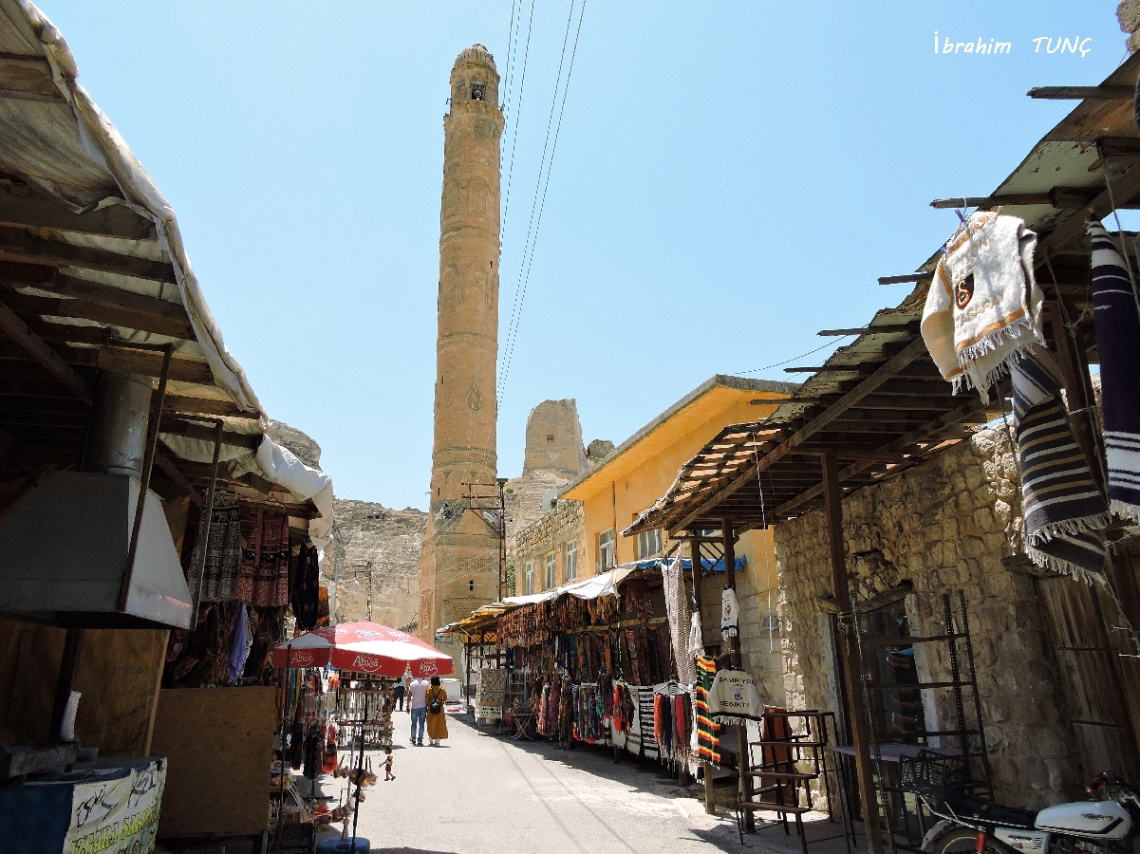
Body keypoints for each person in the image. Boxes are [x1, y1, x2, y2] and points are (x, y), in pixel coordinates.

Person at [425, 675, 448, 746]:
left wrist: (427, 704)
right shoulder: (442, 689)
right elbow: (445, 698)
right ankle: (437, 740)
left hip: (431, 708)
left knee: (431, 723)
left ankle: (431, 739)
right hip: (439, 709)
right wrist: (441, 701)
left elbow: (426, 699)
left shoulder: (429, 688)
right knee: (439, 724)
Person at [408, 674, 429, 746]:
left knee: (414, 723)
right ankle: (420, 740)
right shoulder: (426, 684)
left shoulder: (412, 684)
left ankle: (413, 738)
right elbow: (428, 694)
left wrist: (407, 705)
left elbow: (409, 695)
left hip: (414, 706)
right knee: (421, 724)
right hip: (423, 706)